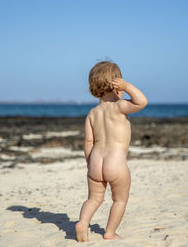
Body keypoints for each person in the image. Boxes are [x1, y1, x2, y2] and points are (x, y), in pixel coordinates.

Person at [75, 61, 148, 241]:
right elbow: (142, 101)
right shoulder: (120, 106)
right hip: (116, 164)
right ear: (117, 87)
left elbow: (88, 142)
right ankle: (110, 232)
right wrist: (128, 86)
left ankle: (83, 222)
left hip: (95, 162)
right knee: (119, 200)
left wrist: (89, 163)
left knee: (93, 199)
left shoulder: (92, 113)